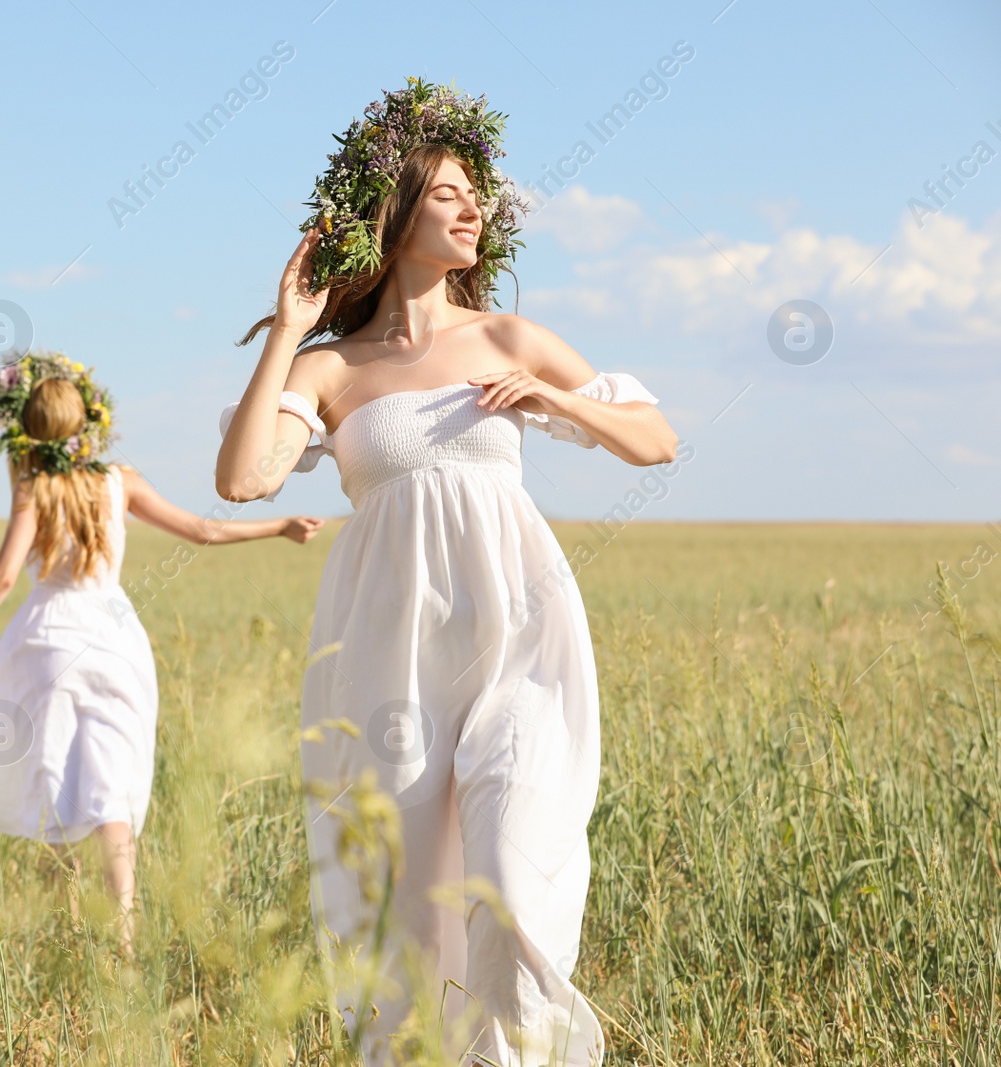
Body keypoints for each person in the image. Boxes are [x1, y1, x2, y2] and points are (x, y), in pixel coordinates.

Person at [216, 80, 678, 1065]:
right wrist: (290, 330)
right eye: (451, 193)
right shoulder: (333, 368)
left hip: (518, 631)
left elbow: (656, 439)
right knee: (414, 910)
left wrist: (556, 395)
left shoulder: (510, 338)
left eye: (479, 197)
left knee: (509, 872)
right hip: (391, 653)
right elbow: (245, 476)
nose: (476, 210)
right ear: (395, 214)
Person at [0, 351, 322, 957]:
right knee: (113, 782)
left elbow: (3, 580)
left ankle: (67, 923)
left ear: (27, 426)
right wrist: (278, 525)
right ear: (87, 421)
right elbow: (200, 530)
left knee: (49, 772)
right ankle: (125, 935)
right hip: (112, 638)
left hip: (45, 640)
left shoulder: (35, 486)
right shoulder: (119, 480)